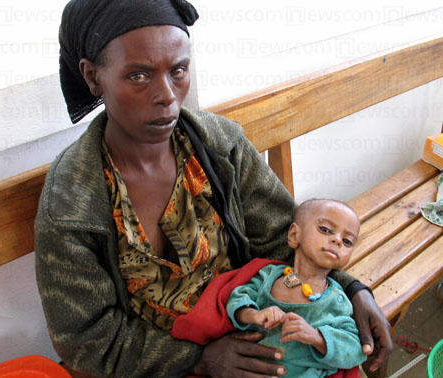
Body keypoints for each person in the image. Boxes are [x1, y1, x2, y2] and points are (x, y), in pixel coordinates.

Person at [34, 1, 392, 377]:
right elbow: (86, 339)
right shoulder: (72, 201)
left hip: (252, 326)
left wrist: (353, 291)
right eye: (138, 76)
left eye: (178, 71)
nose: (168, 96)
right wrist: (197, 359)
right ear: (93, 77)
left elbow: (282, 237)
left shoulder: (221, 147)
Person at [227, 199, 367, 377]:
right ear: (294, 235)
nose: (337, 240)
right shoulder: (269, 276)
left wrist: (317, 337)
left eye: (347, 241)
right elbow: (238, 298)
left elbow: (355, 350)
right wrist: (254, 315)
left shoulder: (336, 300)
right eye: (325, 229)